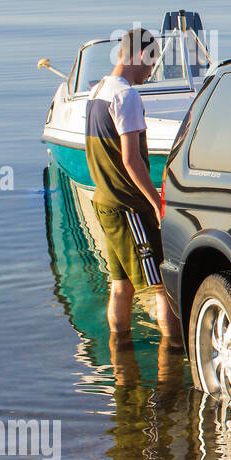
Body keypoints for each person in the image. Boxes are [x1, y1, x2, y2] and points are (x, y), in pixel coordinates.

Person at [84, 26, 181, 342]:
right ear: (140, 55)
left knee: (121, 286)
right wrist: (156, 203)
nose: (151, 72)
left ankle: (121, 362)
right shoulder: (126, 96)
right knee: (161, 289)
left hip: (104, 202)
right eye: (151, 62)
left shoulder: (97, 91)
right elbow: (132, 160)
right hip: (129, 209)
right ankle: (171, 372)